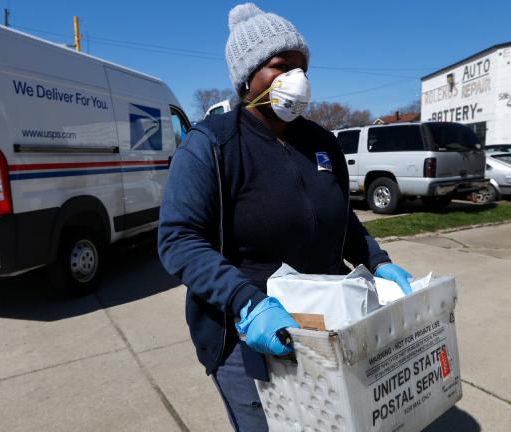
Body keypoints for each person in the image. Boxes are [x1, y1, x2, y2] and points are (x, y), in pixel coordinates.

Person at [157, 3, 414, 431]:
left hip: (328, 326)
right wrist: (247, 304)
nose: (297, 80)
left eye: (302, 68)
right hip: (249, 336)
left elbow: (341, 219)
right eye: (280, 66)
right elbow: (178, 239)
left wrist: (379, 260)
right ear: (246, 77)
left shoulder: (321, 143)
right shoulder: (213, 146)